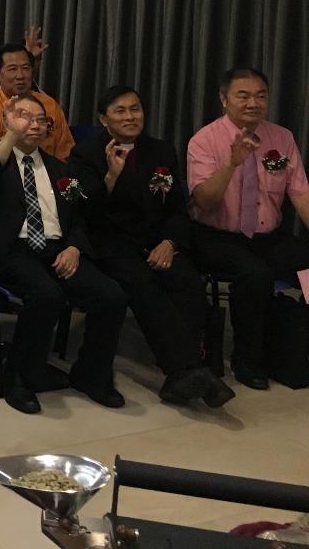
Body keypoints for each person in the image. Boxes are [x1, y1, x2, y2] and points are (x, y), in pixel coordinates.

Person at [0, 94, 127, 414]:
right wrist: (11, 135)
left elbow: (78, 216)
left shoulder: (58, 167)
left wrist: (74, 246)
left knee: (112, 295)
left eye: (41, 120)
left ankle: (92, 375)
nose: (34, 124)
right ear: (7, 118)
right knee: (46, 294)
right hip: (10, 249)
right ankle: (19, 378)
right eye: (25, 116)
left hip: (56, 248)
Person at [69, 86, 233, 407]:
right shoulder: (85, 154)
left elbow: (175, 208)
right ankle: (186, 370)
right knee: (142, 283)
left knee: (185, 280)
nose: (130, 116)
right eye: (120, 111)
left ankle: (184, 372)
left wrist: (170, 243)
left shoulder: (160, 151)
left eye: (135, 109)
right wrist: (111, 178)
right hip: (110, 243)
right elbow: (83, 211)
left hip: (155, 241)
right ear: (104, 119)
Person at [186, 67, 309, 390]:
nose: (253, 102)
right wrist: (231, 163)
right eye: (243, 96)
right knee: (255, 274)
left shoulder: (281, 138)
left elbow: (300, 193)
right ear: (224, 100)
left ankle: (297, 349)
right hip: (217, 236)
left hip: (267, 235)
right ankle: (247, 361)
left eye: (260, 96)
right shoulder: (205, 140)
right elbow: (205, 201)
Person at [0, 43, 75, 160]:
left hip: (49, 174)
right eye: (12, 69)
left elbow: (66, 154)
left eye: (25, 68)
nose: (20, 76)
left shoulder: (49, 104)